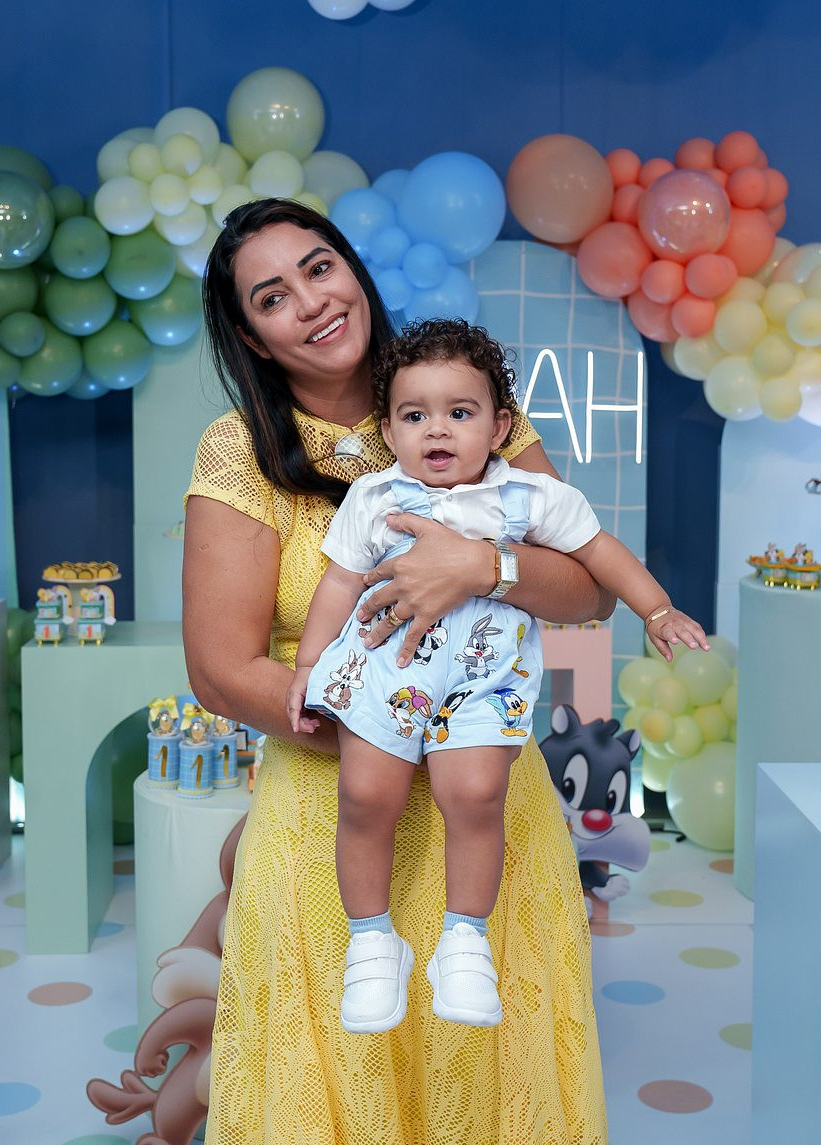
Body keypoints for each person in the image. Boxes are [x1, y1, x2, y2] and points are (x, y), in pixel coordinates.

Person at [184, 197, 618, 1145]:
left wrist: (485, 565)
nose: (311, 302)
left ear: (354, 269)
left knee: (482, 1072)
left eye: (318, 267)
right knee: (345, 1079)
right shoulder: (239, 449)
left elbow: (586, 591)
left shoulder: (460, 398)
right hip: (334, 809)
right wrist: (386, 727)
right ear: (252, 335)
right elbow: (220, 667)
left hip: (483, 803)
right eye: (271, 297)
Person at [285, 317, 707, 1037]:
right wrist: (307, 664)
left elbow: (600, 556)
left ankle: (464, 939)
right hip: (388, 671)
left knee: (476, 794)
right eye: (414, 416)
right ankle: (372, 942)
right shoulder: (375, 499)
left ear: (498, 426)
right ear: (387, 431)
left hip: (484, 681)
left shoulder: (531, 498)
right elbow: (339, 583)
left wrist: (657, 609)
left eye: (460, 412)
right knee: (364, 795)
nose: (437, 430)